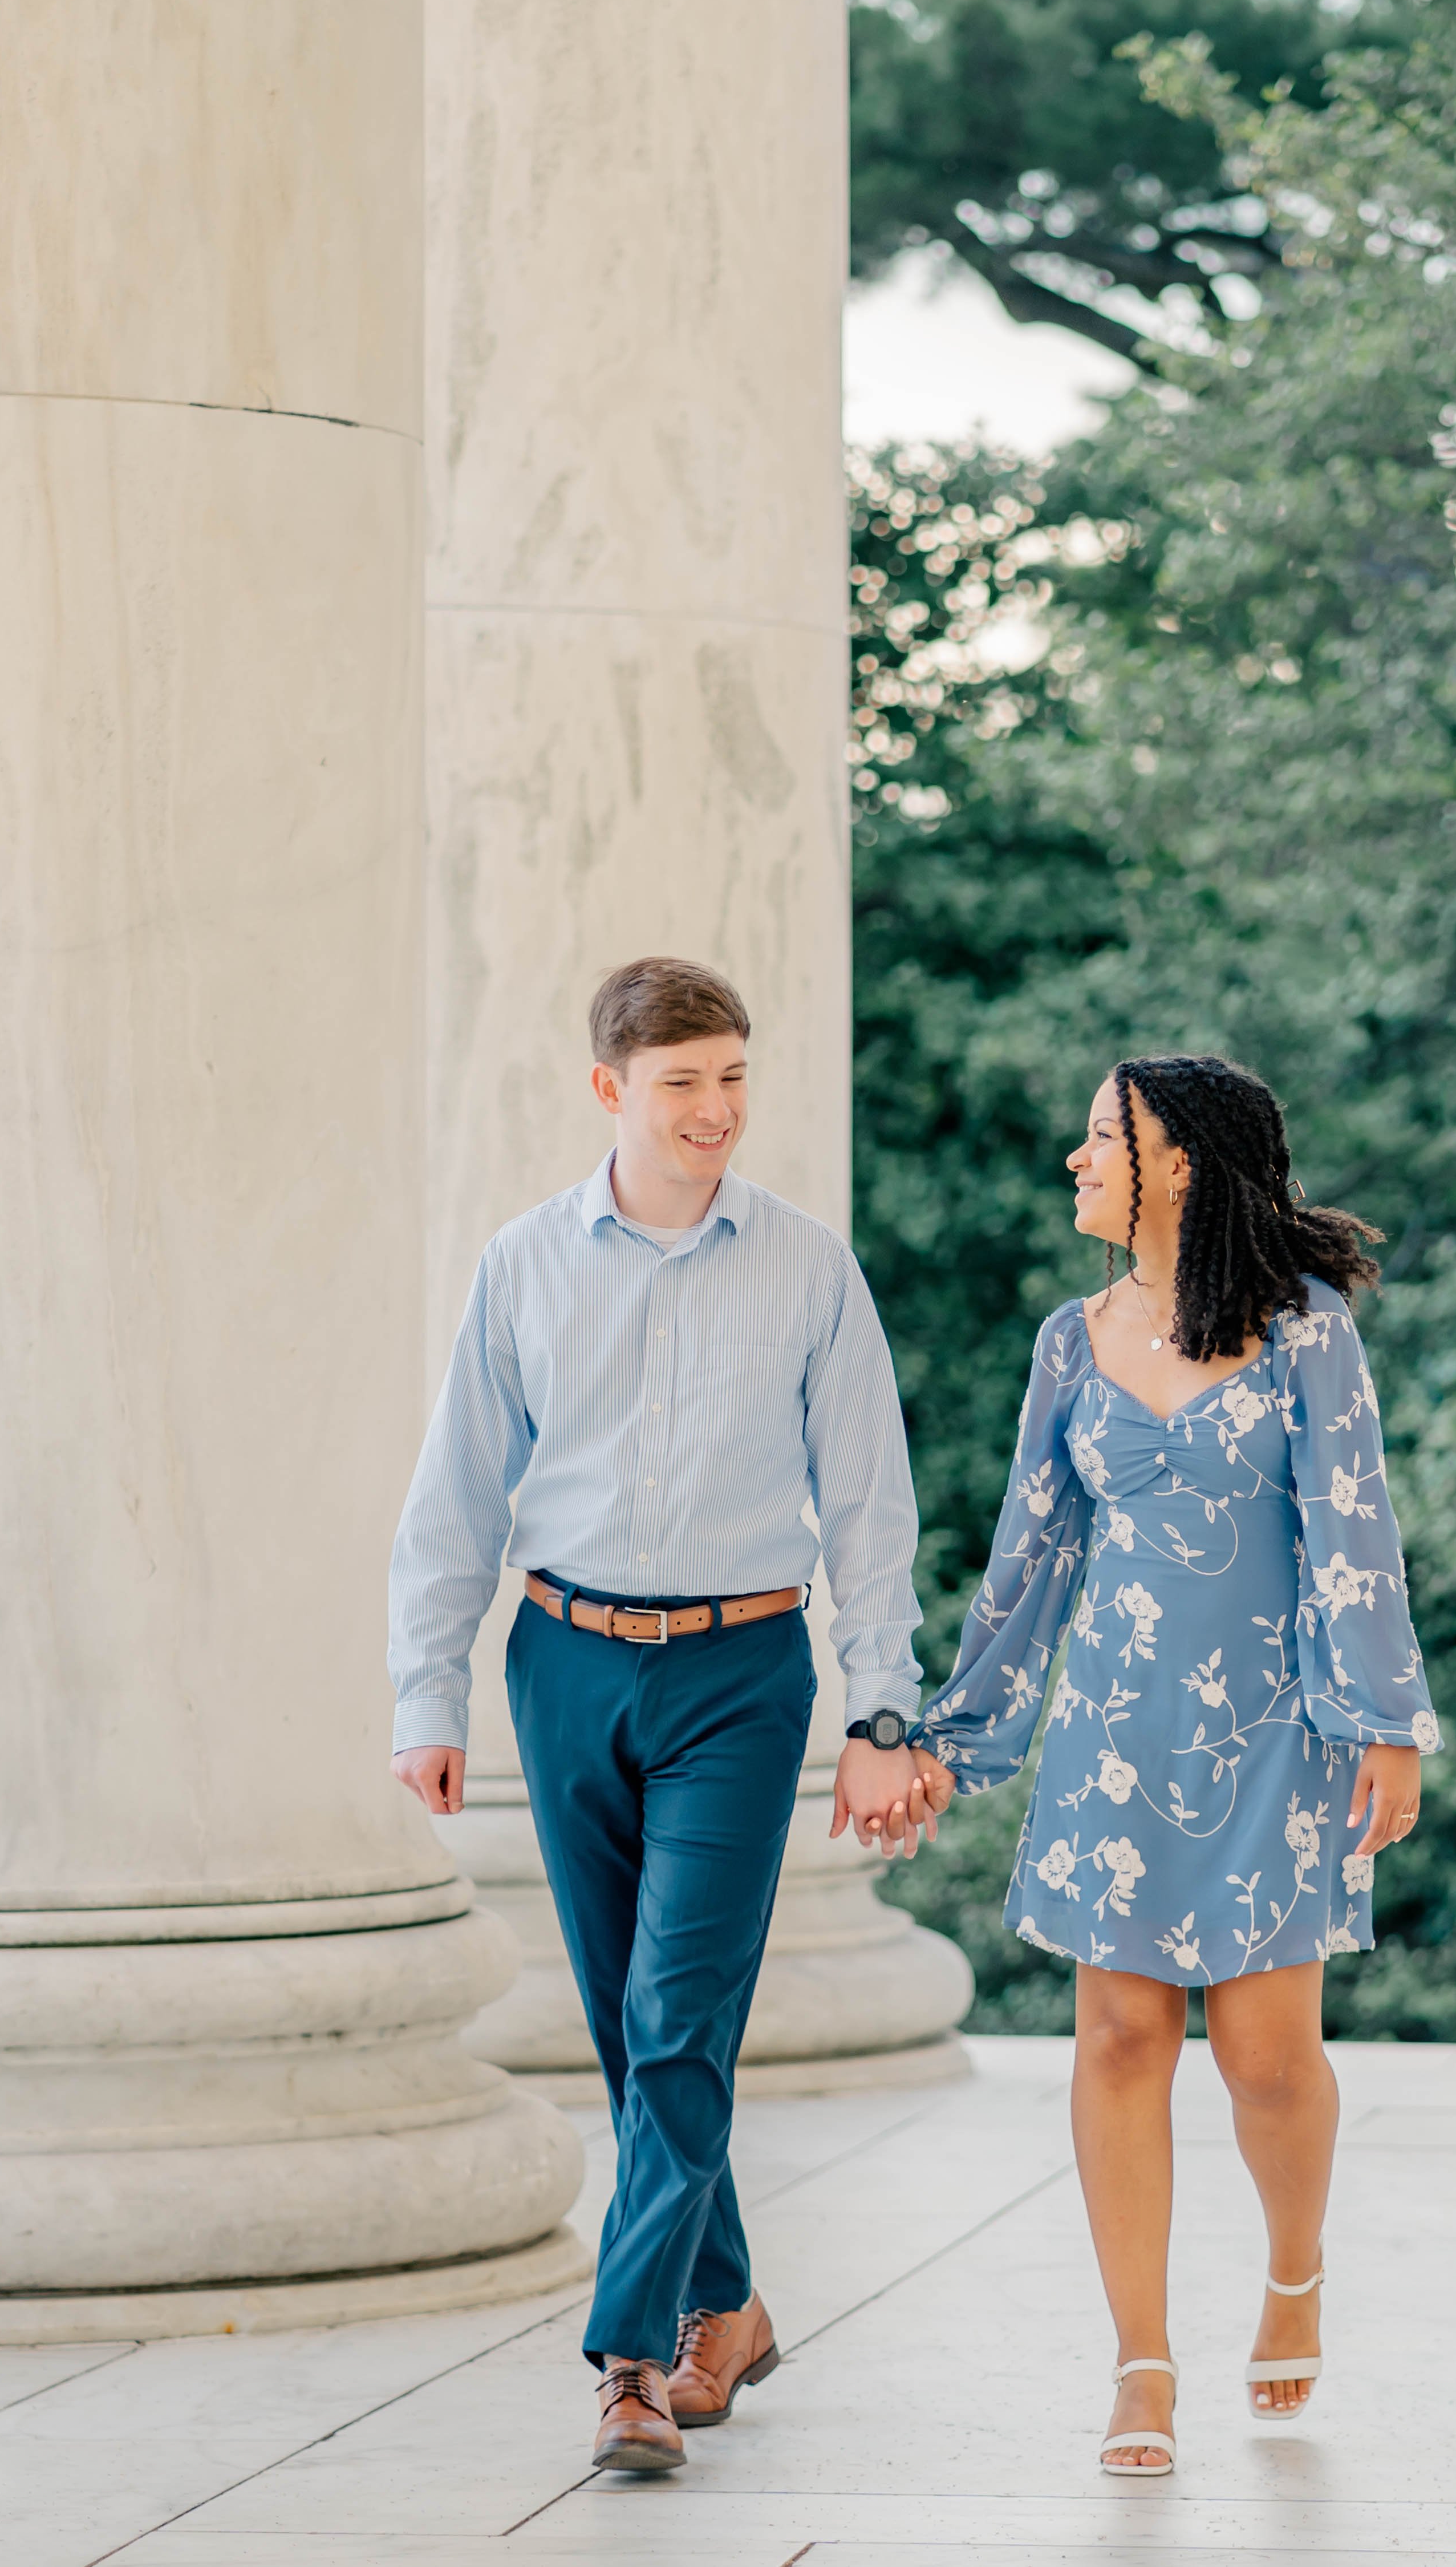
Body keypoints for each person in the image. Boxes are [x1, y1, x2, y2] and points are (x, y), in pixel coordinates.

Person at [384, 955, 947, 2477]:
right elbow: (456, 1497)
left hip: (741, 1678)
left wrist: (880, 1707)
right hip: (561, 1662)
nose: (715, 1109)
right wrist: (424, 1690)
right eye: (684, 1082)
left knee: (676, 2013)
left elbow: (869, 1504)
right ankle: (730, 2298)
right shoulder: (521, 1265)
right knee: (629, 2028)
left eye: (733, 1077)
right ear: (611, 1092)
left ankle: (631, 2358)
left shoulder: (809, 1267)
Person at [903, 1052, 1443, 2479]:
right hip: (1112, 1744)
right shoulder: (1068, 1343)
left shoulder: (1306, 1330)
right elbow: (1029, 1561)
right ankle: (1140, 2365)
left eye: (1101, 1139)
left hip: (1278, 1733)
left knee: (1266, 2057)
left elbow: (1352, 1529)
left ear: (1181, 1164)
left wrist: (1385, 1722)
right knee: (1120, 2039)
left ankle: (1294, 2264)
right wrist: (954, 1741)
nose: (1074, 1162)